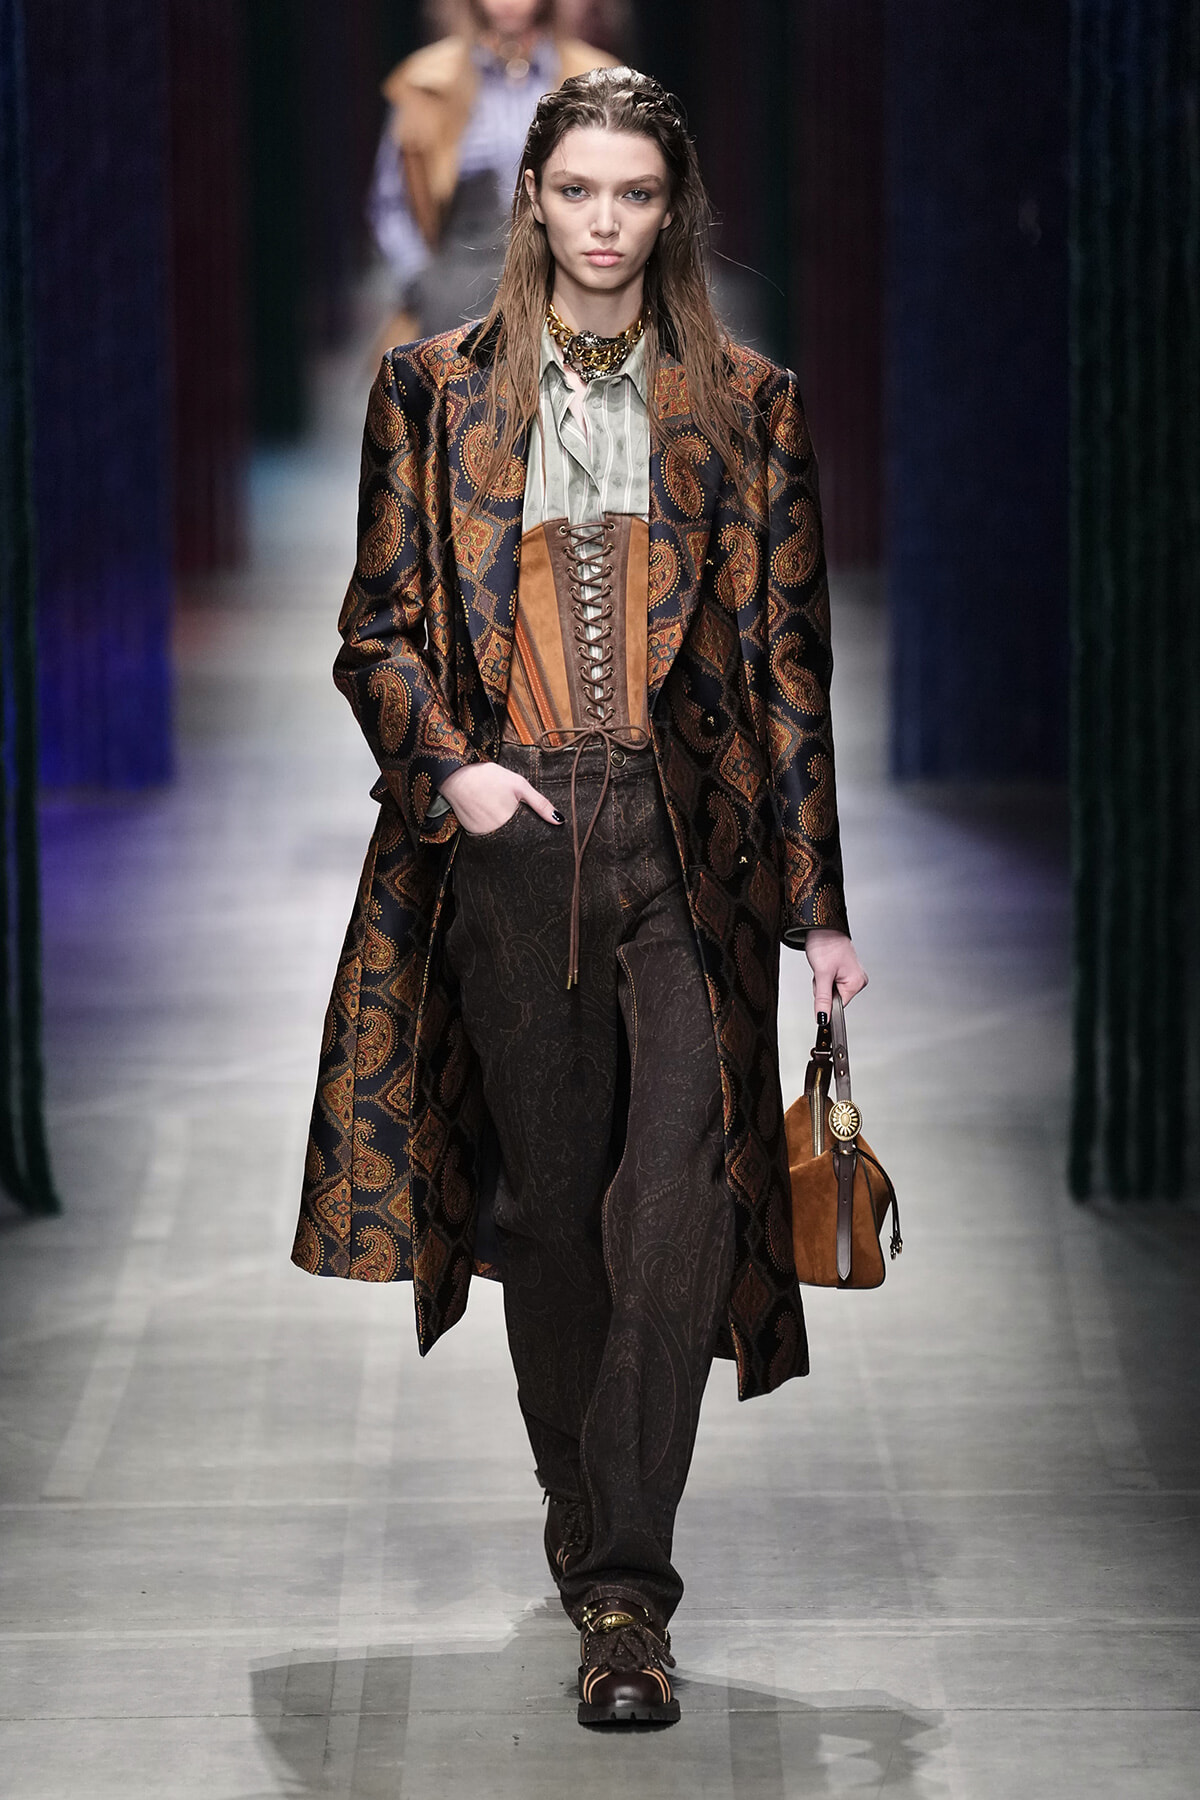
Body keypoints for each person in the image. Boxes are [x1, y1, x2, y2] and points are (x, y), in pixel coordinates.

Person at [293, 65, 867, 1728]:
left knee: (677, 1207)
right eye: (578, 191)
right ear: (532, 201)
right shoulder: (432, 391)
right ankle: (584, 1506)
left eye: (636, 194)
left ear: (672, 211)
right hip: (514, 840)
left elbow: (787, 673)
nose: (605, 223)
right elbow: (376, 635)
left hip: (692, 854)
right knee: (550, 1219)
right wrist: (457, 774)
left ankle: (626, 1591)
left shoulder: (746, 402)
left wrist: (821, 908)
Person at [369, 0, 616, 341]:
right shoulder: (426, 82)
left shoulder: (596, 77)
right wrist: (420, 281)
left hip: (568, 282)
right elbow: (390, 202)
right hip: (456, 289)